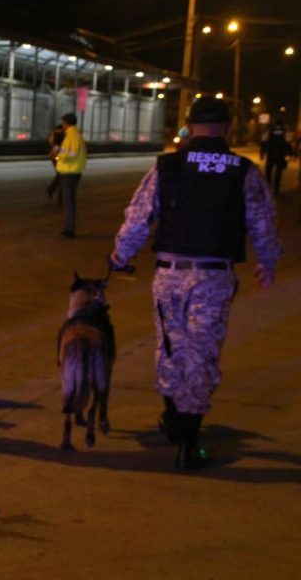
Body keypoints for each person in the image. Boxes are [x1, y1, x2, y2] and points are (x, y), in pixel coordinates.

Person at [109, 96, 280, 470]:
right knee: (201, 353)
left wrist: (120, 255)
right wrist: (267, 262)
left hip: (169, 273)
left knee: (171, 346)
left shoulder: (168, 167)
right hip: (213, 276)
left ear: (187, 126)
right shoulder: (243, 170)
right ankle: (188, 440)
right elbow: (263, 224)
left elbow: (138, 217)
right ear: (228, 128)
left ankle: (173, 417)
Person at [54, 112, 86, 238]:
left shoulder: (72, 136)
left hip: (69, 172)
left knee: (68, 203)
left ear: (67, 123)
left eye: (63, 123)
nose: (62, 125)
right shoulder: (74, 135)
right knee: (69, 202)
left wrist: (57, 156)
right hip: (73, 171)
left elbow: (71, 154)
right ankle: (69, 228)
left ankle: (69, 230)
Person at [260, 118, 290, 196]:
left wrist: (262, 154)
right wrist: (289, 154)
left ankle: (268, 188)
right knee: (278, 173)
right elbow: (288, 143)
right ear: (282, 124)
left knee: (268, 172)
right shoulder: (284, 131)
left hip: (270, 154)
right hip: (280, 155)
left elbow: (263, 141)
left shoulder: (270, 131)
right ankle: (276, 189)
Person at [45, 123, 65, 201]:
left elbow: (51, 146)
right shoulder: (58, 134)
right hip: (58, 157)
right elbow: (56, 147)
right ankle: (55, 192)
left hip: (55, 157)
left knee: (61, 175)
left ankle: (56, 193)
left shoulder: (53, 134)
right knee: (62, 176)